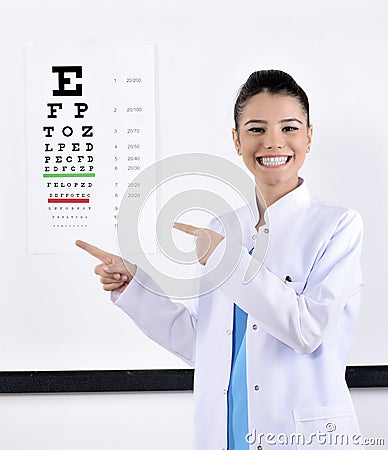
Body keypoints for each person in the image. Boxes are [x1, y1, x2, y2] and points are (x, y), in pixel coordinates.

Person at [76, 70, 364, 449]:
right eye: (256, 129)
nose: (273, 142)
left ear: (309, 136)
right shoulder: (222, 228)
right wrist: (137, 286)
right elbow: (205, 343)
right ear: (236, 139)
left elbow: (307, 331)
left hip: (300, 435)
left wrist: (226, 259)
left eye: (289, 128)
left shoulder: (337, 226)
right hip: (227, 432)